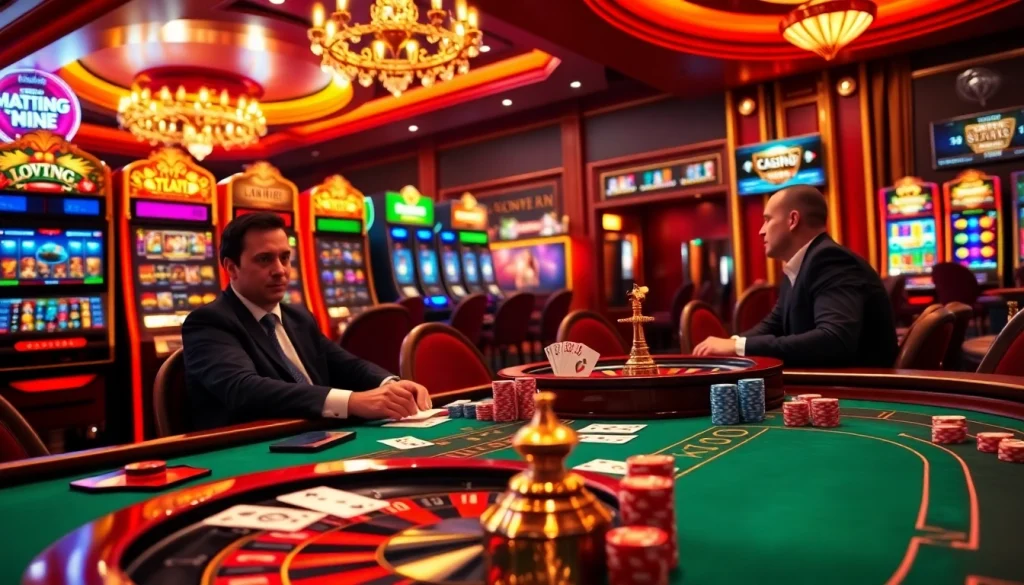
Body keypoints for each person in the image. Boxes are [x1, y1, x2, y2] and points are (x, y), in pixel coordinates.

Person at [182, 212, 431, 430]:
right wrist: (352, 401)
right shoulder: (209, 322)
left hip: (318, 437)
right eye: (264, 259)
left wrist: (393, 385)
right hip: (252, 451)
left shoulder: (297, 317)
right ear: (232, 268)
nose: (280, 269)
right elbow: (244, 389)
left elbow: (348, 365)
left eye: (285, 257)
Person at [694, 185, 898, 368]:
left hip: (862, 390)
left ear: (792, 220)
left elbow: (834, 340)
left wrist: (737, 346)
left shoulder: (830, 260)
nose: (761, 231)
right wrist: (731, 343)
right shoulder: (802, 264)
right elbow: (773, 325)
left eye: (767, 220)